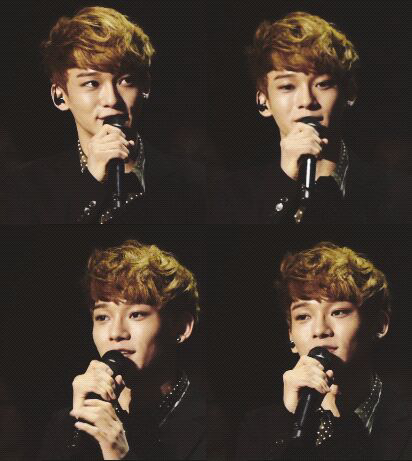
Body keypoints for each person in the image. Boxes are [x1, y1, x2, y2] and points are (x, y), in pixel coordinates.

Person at [3, 6, 205, 224]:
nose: (111, 99)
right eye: (91, 83)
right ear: (60, 96)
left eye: (126, 80)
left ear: (145, 86)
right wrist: (90, 184)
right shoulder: (26, 188)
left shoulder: (196, 183)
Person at [236, 242, 412, 460]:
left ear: (379, 325)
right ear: (291, 335)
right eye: (303, 316)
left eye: (338, 312)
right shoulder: (260, 428)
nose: (320, 330)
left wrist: (341, 430)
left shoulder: (403, 421)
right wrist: (292, 422)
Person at [215, 11, 386, 233]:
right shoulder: (232, 196)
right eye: (287, 86)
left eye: (323, 84)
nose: (306, 101)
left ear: (349, 93)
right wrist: (284, 182)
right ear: (263, 101)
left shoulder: (395, 193)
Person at [39, 240, 206, 459]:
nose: (116, 332)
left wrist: (119, 455)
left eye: (136, 314)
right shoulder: (65, 425)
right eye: (102, 317)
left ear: (181, 327)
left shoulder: (213, 424)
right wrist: (78, 431)